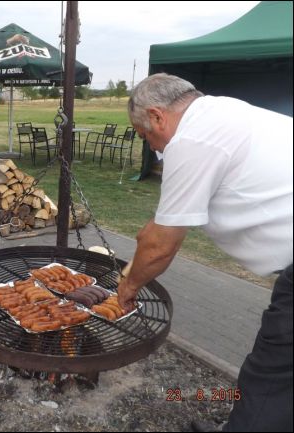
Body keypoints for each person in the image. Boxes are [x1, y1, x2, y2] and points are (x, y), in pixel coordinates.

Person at [117, 73, 293, 432]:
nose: (152, 147)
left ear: (156, 116)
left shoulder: (192, 138)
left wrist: (128, 288)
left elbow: (161, 246)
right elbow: (161, 226)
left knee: (270, 377)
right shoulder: (223, 112)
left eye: (146, 135)